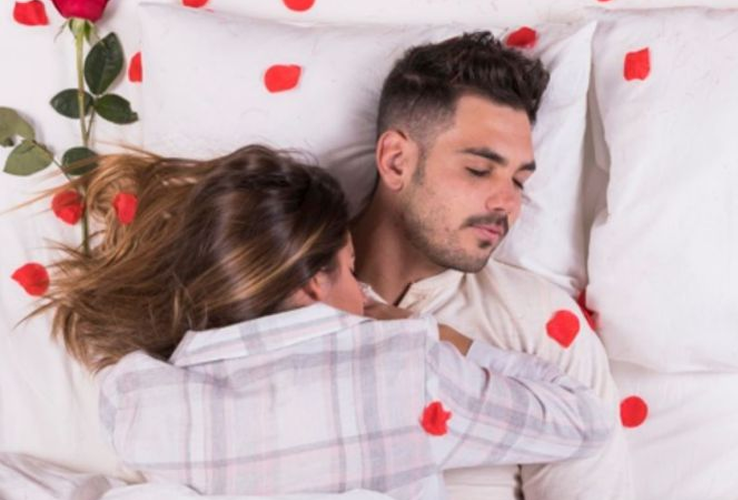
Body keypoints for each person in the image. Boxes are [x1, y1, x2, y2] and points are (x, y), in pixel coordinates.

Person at [32, 145, 613, 499]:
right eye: (352, 271)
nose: (363, 293)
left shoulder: (137, 397)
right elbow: (582, 421)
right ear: (313, 283)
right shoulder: (412, 373)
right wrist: (434, 333)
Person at [351, 32, 634, 500]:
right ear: (396, 161)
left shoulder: (541, 324)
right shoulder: (279, 284)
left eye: (519, 181)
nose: (507, 203)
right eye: (480, 170)